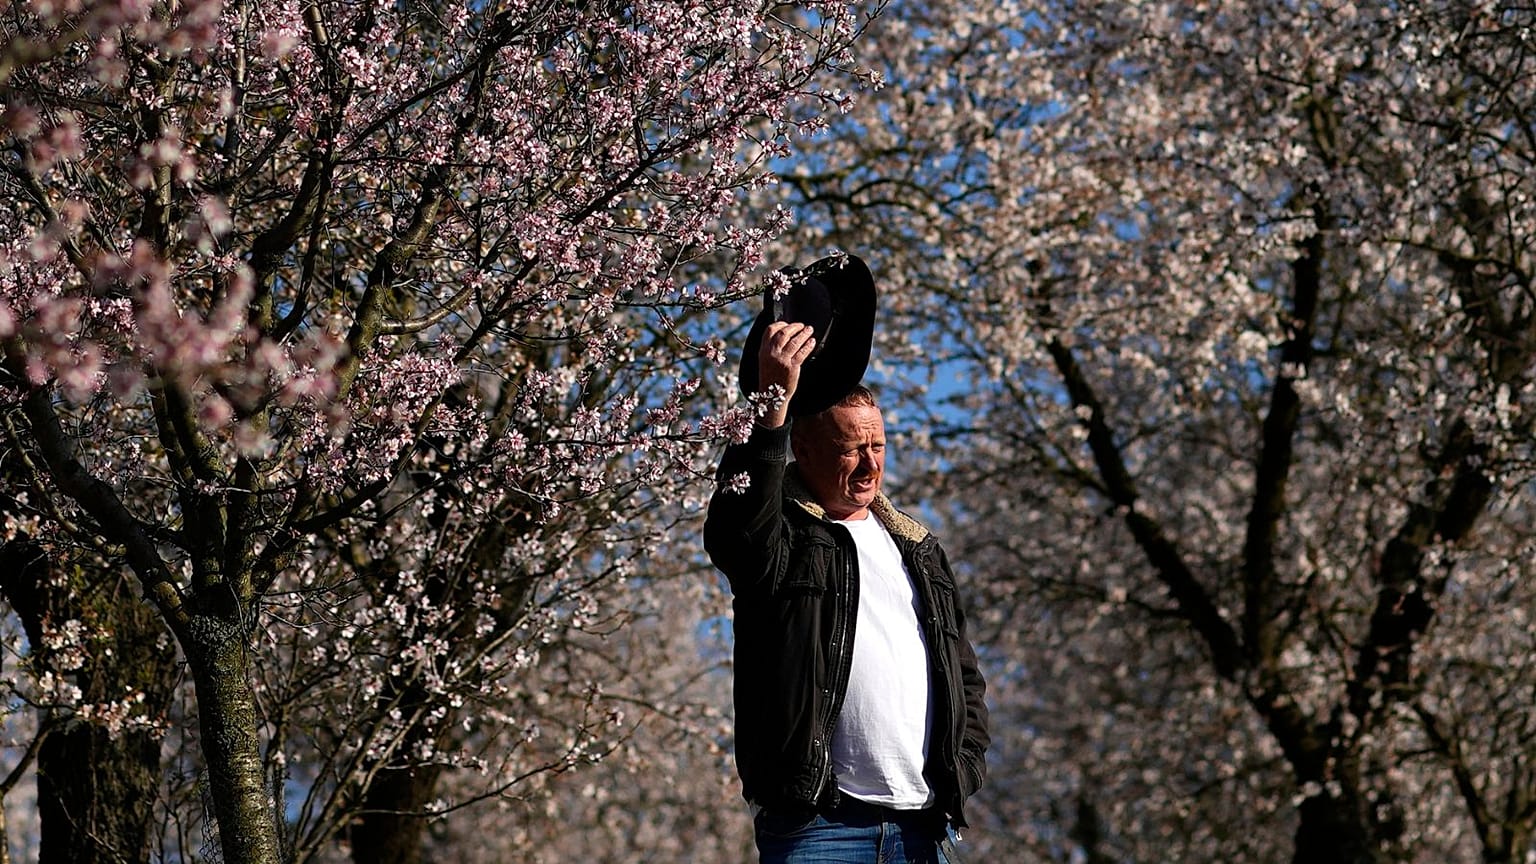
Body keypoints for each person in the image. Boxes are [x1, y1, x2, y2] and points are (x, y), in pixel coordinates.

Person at [704, 309, 990, 864]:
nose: (868, 465)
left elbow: (964, 673)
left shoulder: (919, 548)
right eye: (849, 449)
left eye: (878, 446)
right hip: (818, 826)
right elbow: (738, 532)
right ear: (802, 450)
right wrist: (770, 412)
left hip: (923, 831)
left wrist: (966, 762)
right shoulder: (781, 537)